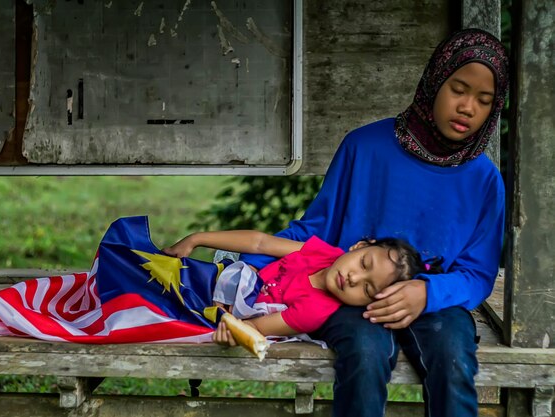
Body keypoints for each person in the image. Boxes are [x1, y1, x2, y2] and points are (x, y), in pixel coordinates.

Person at [238, 28, 509, 417]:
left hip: (435, 301)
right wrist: (246, 265)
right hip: (352, 297)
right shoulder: (364, 146)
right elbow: (316, 229)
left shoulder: (484, 180)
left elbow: (478, 274)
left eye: (483, 101)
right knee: (364, 354)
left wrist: (426, 293)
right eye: (458, 89)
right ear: (434, 82)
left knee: (453, 360)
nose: (467, 107)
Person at [164, 231, 438, 341]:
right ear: (359, 246)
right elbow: (260, 243)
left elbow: (257, 328)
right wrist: (196, 239)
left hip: (205, 312)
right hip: (208, 283)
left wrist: (232, 332)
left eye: (366, 290)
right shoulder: (323, 253)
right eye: (363, 264)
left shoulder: (316, 310)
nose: (354, 278)